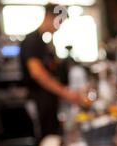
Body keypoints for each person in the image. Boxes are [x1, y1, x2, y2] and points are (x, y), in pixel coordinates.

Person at [20, 4, 88, 138]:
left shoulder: (45, 42)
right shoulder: (32, 40)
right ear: (49, 17)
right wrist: (65, 93)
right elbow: (38, 74)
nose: (59, 27)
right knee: (46, 140)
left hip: (49, 102)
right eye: (59, 21)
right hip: (39, 102)